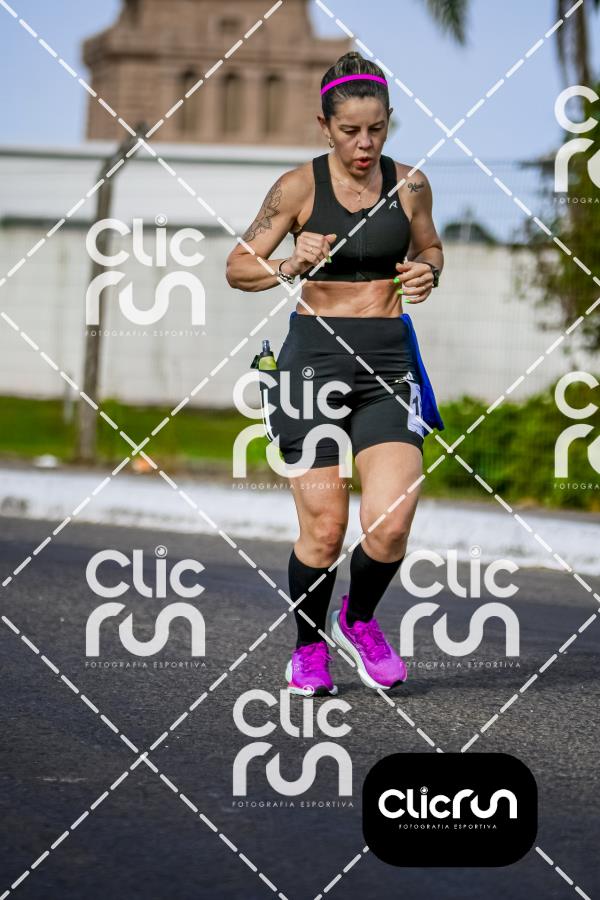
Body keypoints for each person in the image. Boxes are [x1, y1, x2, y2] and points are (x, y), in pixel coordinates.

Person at [226, 51, 444, 697]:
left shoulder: (411, 185)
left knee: (391, 523)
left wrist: (429, 271)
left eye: (376, 129)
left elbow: (430, 245)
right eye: (350, 131)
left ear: (389, 122)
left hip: (388, 364)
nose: (364, 144)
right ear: (325, 126)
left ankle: (360, 619)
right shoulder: (297, 187)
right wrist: (289, 263)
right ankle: (308, 647)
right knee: (324, 531)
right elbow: (237, 267)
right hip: (312, 367)